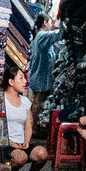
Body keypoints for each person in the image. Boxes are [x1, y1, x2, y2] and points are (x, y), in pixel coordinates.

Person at [27, 9, 64, 145]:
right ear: (45, 22)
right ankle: (34, 128)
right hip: (40, 76)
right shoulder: (42, 36)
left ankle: (34, 127)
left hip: (39, 75)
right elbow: (57, 34)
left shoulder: (38, 36)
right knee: (38, 102)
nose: (51, 24)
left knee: (37, 102)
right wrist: (63, 24)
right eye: (50, 22)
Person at [0, 64, 35, 170]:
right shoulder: (0, 100)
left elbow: (28, 125)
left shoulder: (25, 101)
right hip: (6, 144)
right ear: (11, 82)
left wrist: (27, 141)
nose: (25, 82)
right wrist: (10, 143)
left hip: (21, 143)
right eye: (21, 78)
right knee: (20, 158)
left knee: (42, 154)